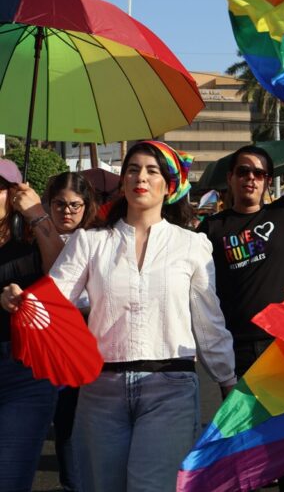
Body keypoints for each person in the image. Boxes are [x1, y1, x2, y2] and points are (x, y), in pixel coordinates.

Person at [4, 142, 237, 492]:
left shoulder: (192, 245)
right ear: (124, 181)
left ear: (169, 185)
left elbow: (208, 322)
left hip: (169, 386)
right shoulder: (89, 242)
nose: (140, 177)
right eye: (132, 169)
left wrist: (228, 381)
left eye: (151, 170)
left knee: (151, 487)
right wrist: (23, 300)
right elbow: (57, 298)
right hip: (101, 390)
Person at [199, 115, 284, 492]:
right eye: (243, 171)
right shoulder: (210, 230)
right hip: (232, 348)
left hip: (281, 344)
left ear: (268, 182)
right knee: (241, 444)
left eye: (259, 173)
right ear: (231, 178)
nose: (250, 178)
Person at [0, 160, 65, 492]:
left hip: (25, 372)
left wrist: (38, 214)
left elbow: (65, 276)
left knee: (9, 479)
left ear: (14, 194)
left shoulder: (33, 235)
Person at [43, 172, 99, 492]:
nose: (67, 212)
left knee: (87, 420)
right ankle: (71, 483)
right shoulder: (35, 238)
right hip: (49, 342)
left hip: (89, 341)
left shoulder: (97, 241)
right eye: (59, 204)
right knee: (63, 421)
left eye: (75, 205)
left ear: (86, 206)